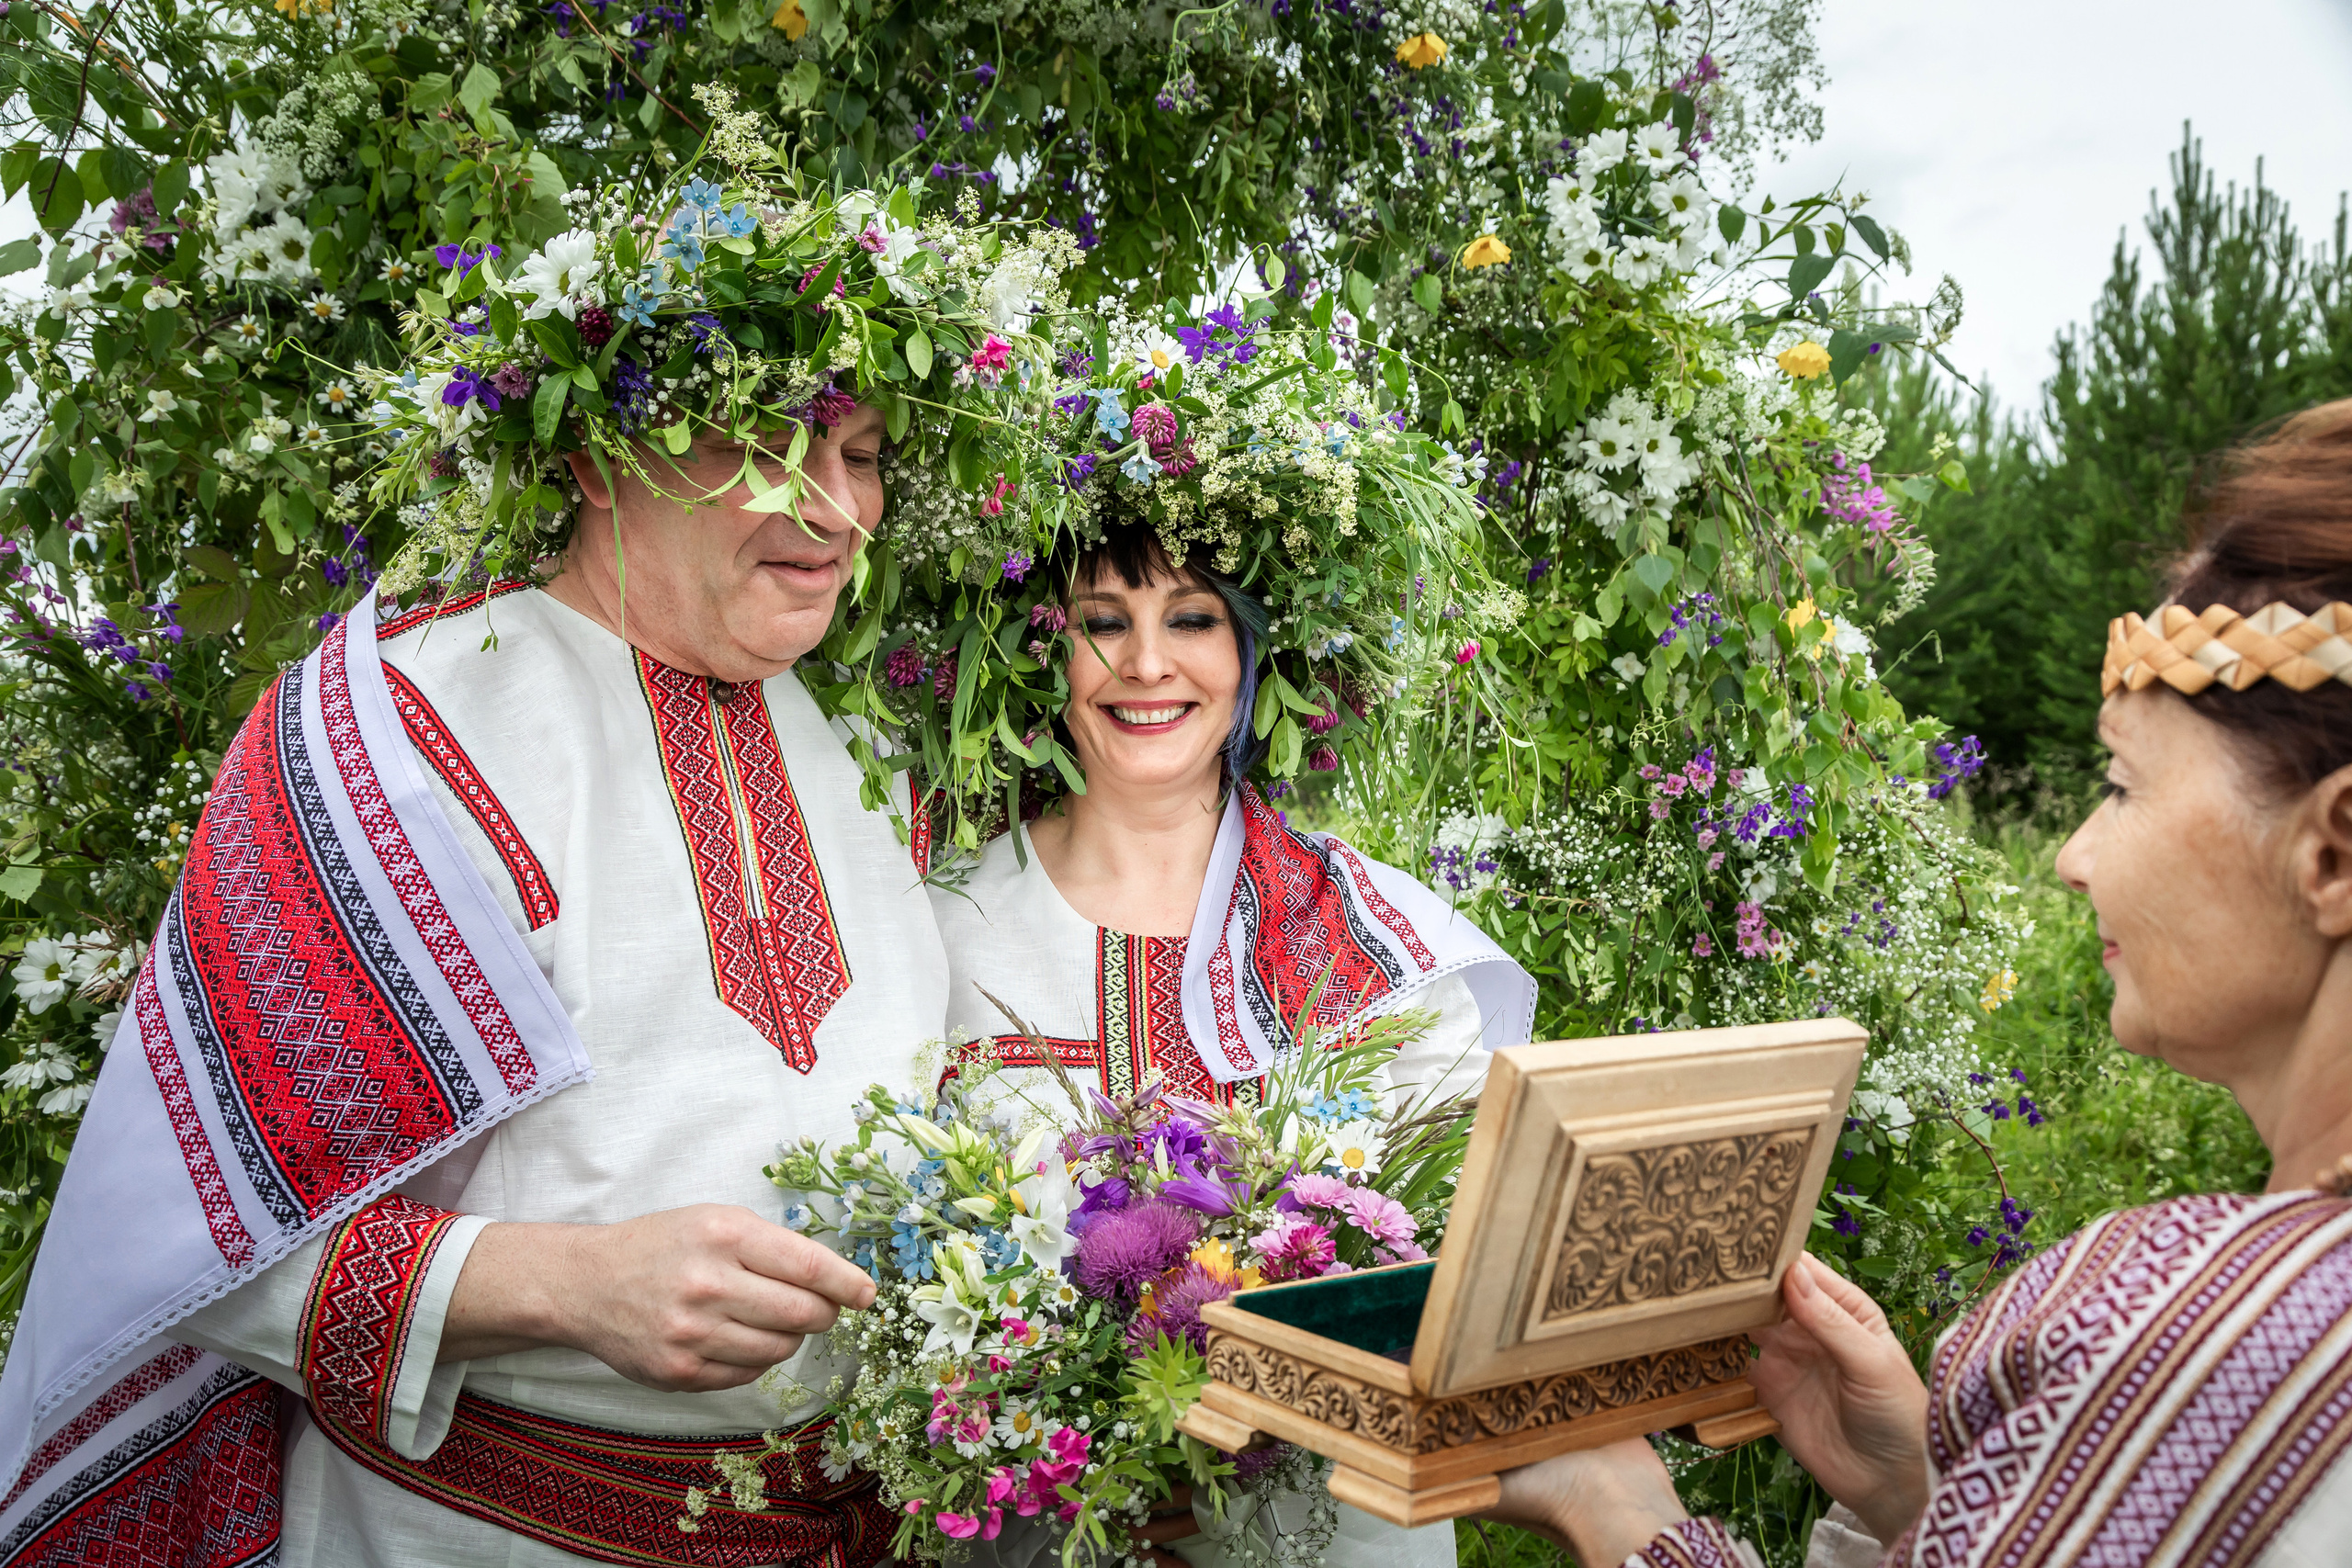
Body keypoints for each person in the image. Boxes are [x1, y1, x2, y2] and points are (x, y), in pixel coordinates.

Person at [0, 407, 944, 1566]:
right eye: (767, 451)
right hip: (485, 1533)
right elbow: (185, 1227)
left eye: (861, 459)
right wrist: (569, 1283)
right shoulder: (390, 733)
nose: (836, 509)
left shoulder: (874, 741)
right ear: (601, 457)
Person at [1477, 399, 2352, 1567]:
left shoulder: (2180, 1323)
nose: (2071, 856)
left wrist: (1626, 1514)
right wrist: (1926, 1501)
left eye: (2123, 784)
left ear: (2332, 851)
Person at [933, 522, 1538, 1568]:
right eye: (1101, 624)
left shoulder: (1382, 938)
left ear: (1258, 653)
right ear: (1041, 648)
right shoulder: (939, 928)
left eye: (1193, 619)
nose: (1147, 663)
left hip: (1327, 1523)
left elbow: (1472, 1267)